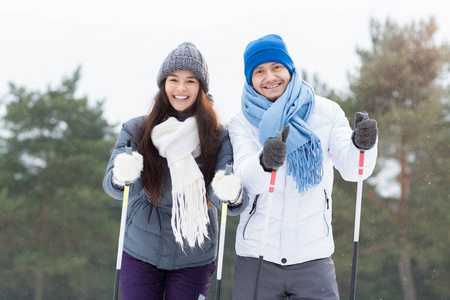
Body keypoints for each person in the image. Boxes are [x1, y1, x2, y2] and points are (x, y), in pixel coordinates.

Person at [228, 34, 378, 300]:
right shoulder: (241, 122)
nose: (270, 77)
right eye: (259, 71)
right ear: (250, 79)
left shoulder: (327, 113)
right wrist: (264, 162)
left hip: (313, 257)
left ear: (290, 69)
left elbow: (355, 170)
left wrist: (362, 146)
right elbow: (243, 181)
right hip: (257, 257)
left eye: (277, 67)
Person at [102, 42, 246, 300]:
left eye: (190, 81)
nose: (181, 88)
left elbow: (227, 202)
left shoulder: (217, 136)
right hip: (141, 249)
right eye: (174, 79)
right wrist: (122, 175)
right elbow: (119, 189)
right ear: (163, 85)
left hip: (194, 251)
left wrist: (230, 192)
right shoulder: (137, 129)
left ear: (201, 87)